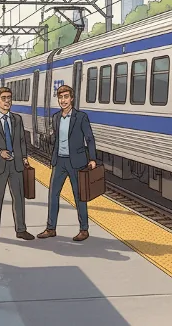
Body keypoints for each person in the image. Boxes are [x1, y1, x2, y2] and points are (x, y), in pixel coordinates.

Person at [39, 85, 98, 242]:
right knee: (53, 195)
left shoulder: (81, 117)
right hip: (59, 161)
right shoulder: (56, 117)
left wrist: (92, 159)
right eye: (60, 97)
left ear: (72, 98)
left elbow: (90, 138)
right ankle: (51, 228)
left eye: (66, 97)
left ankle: (84, 229)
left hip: (76, 162)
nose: (63, 100)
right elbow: (57, 138)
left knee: (80, 196)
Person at [0, 86, 34, 242]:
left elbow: (22, 141)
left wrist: (24, 157)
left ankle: (21, 229)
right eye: (3, 98)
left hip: (16, 164)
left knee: (19, 198)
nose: (7, 101)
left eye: (9, 98)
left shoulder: (17, 119)